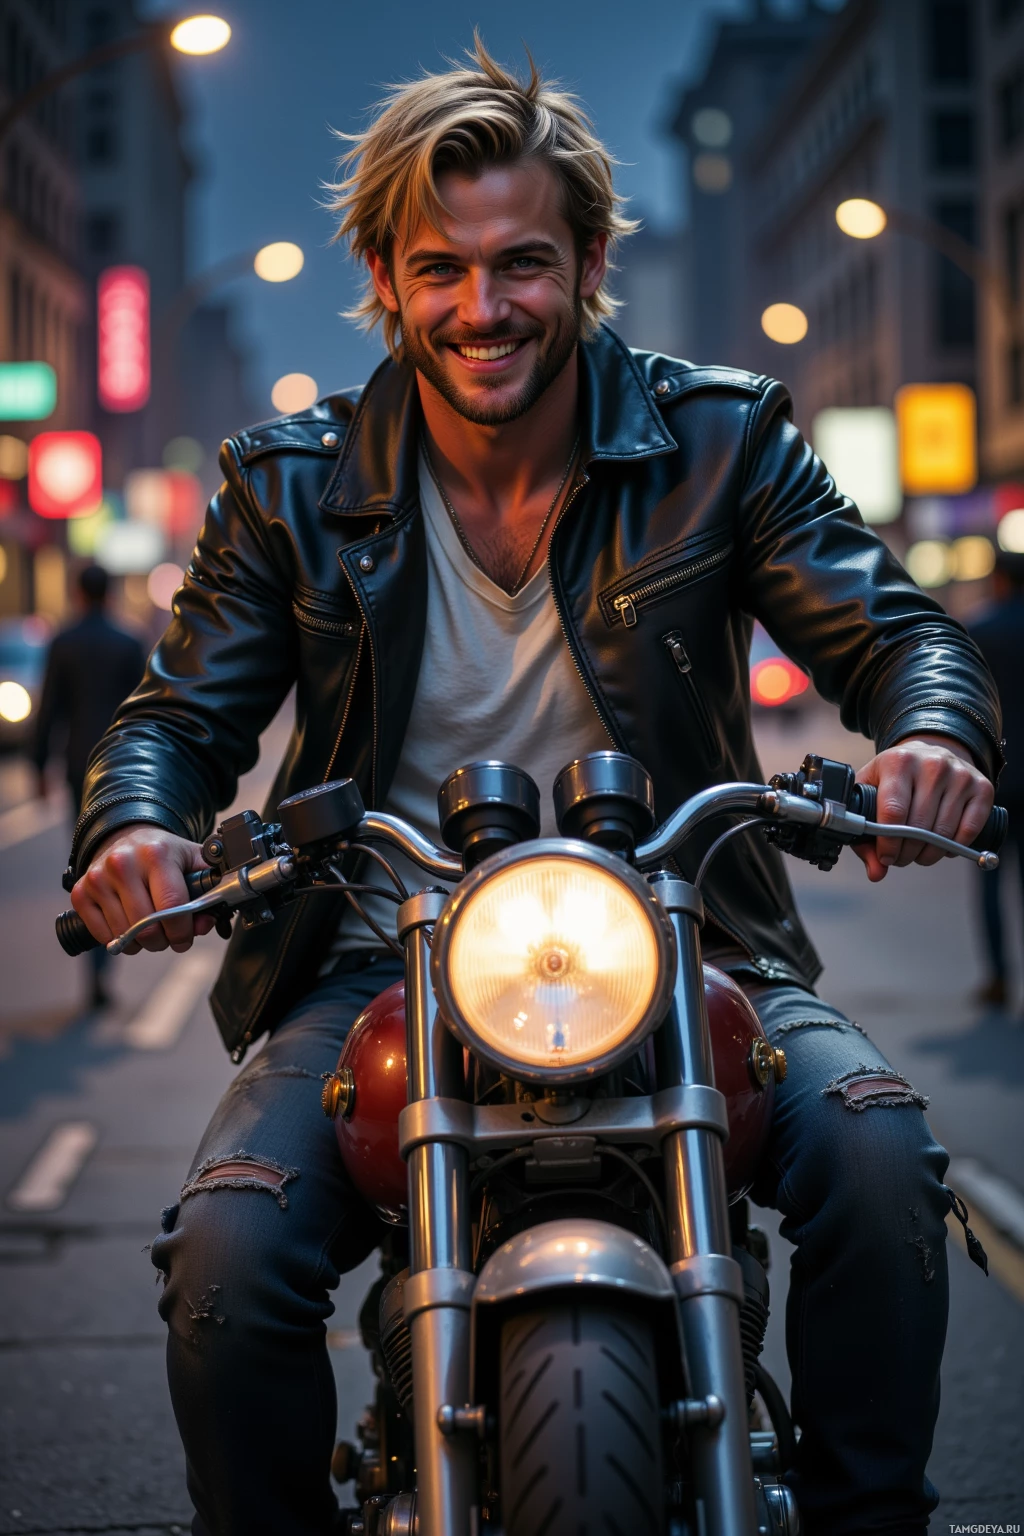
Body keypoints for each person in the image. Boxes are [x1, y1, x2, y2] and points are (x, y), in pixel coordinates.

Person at [66, 41, 1000, 1536]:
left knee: (885, 1163)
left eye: (523, 264)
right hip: (383, 950)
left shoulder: (722, 436)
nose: (483, 307)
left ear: (589, 261)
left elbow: (891, 629)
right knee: (229, 1264)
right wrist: (138, 825)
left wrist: (933, 732)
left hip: (691, 930)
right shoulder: (288, 483)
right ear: (383, 272)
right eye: (440, 268)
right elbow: (178, 713)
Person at [35, 561, 145, 1008]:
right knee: (111, 858)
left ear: (78, 594)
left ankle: (93, 959)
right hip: (118, 765)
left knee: (83, 864)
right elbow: (146, 712)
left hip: (78, 764)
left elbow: (49, 710)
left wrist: (39, 765)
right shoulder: (128, 642)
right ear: (110, 594)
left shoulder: (63, 642)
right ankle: (106, 959)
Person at [969, 551, 1024, 1009]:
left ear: (1001, 581)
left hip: (996, 779)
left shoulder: (981, 632)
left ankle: (999, 979)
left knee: (989, 877)